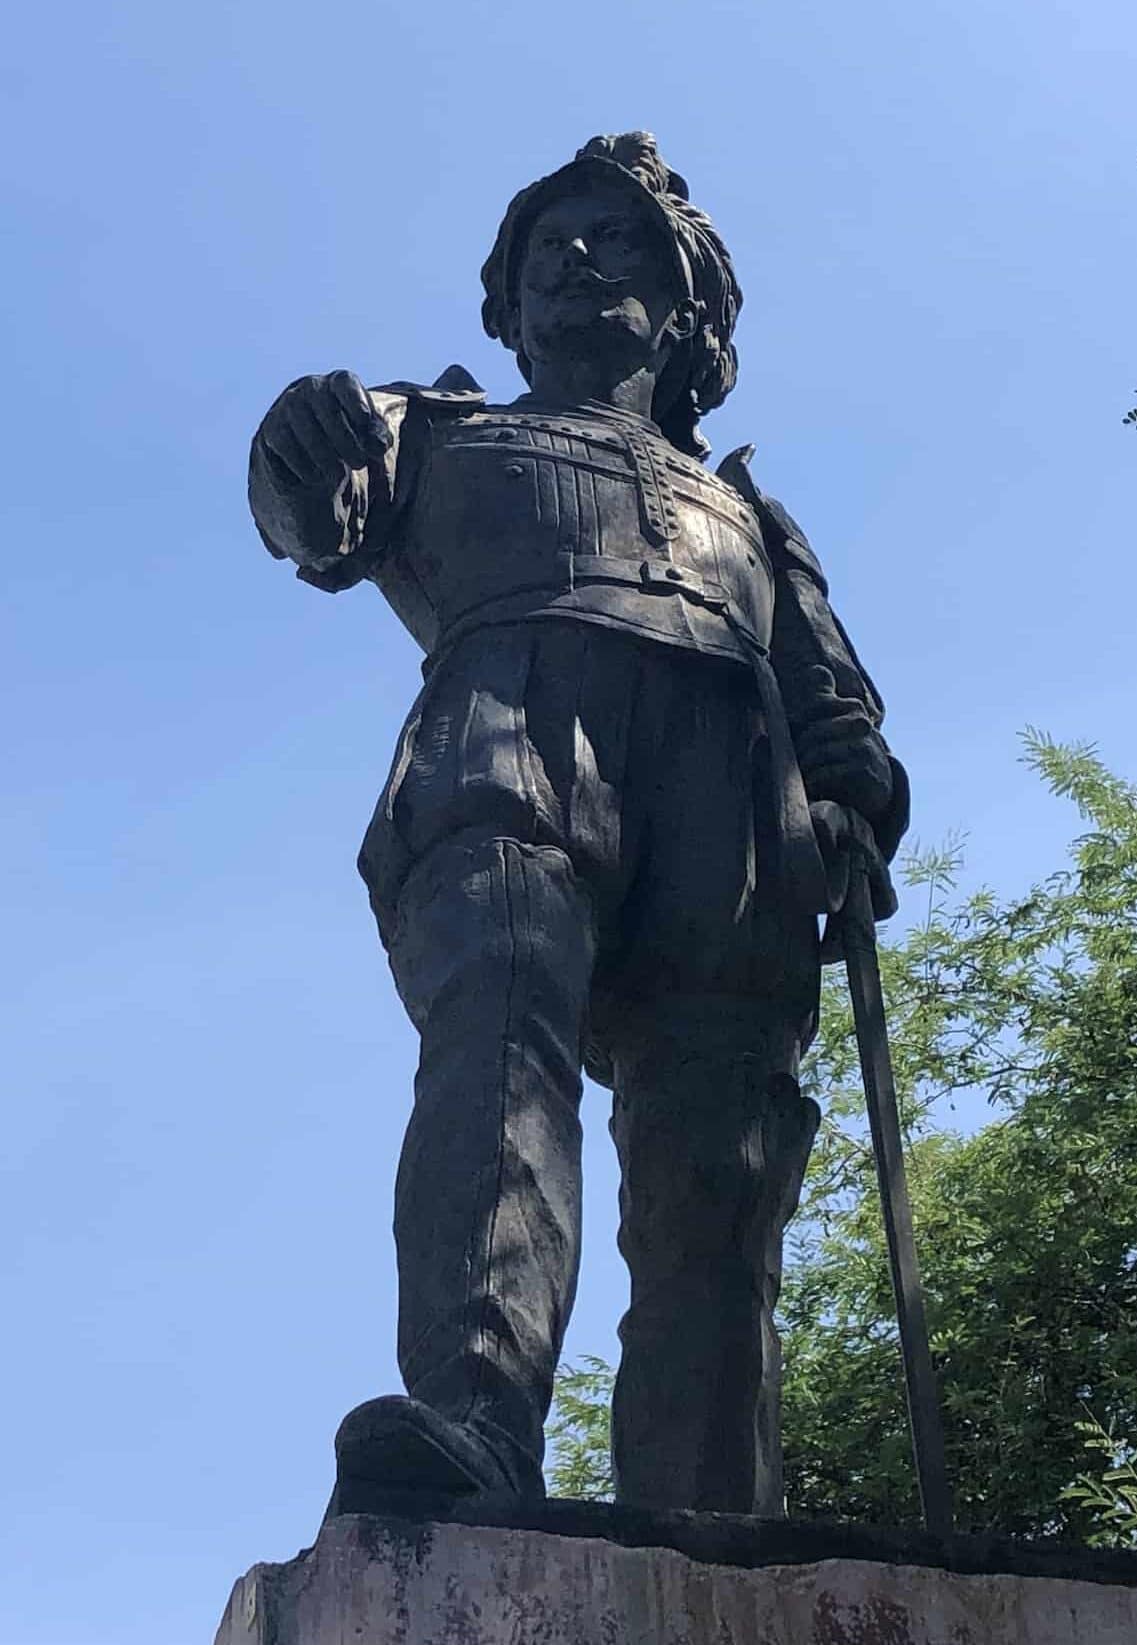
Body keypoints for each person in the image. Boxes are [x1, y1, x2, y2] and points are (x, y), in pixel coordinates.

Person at [248, 132, 908, 1520]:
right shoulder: (432, 429)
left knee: (717, 1159)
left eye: (618, 241)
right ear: (505, 303)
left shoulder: (750, 517)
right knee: (497, 1038)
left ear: (686, 314)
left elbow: (833, 705)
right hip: (510, 742)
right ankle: (476, 1414)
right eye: (549, 245)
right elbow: (320, 503)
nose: (576, 258)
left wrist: (850, 807)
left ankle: (715, 1501)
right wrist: (304, 457)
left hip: (731, 811)